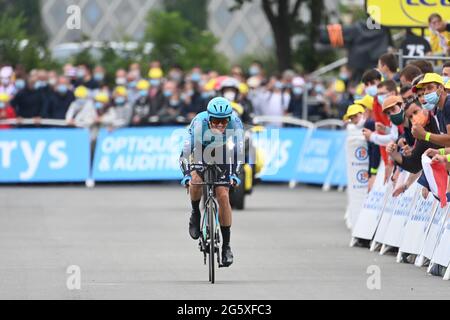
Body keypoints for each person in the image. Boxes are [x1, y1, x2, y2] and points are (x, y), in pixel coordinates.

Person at [179, 97, 244, 267]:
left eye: (224, 121)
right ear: (209, 118)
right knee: (195, 180)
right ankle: (195, 213)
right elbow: (184, 154)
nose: (220, 125)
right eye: (216, 121)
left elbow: (240, 153)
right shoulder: (199, 124)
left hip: (223, 151)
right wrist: (186, 174)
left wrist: (235, 174)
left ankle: (226, 246)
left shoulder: (235, 123)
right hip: (200, 149)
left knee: (223, 194)